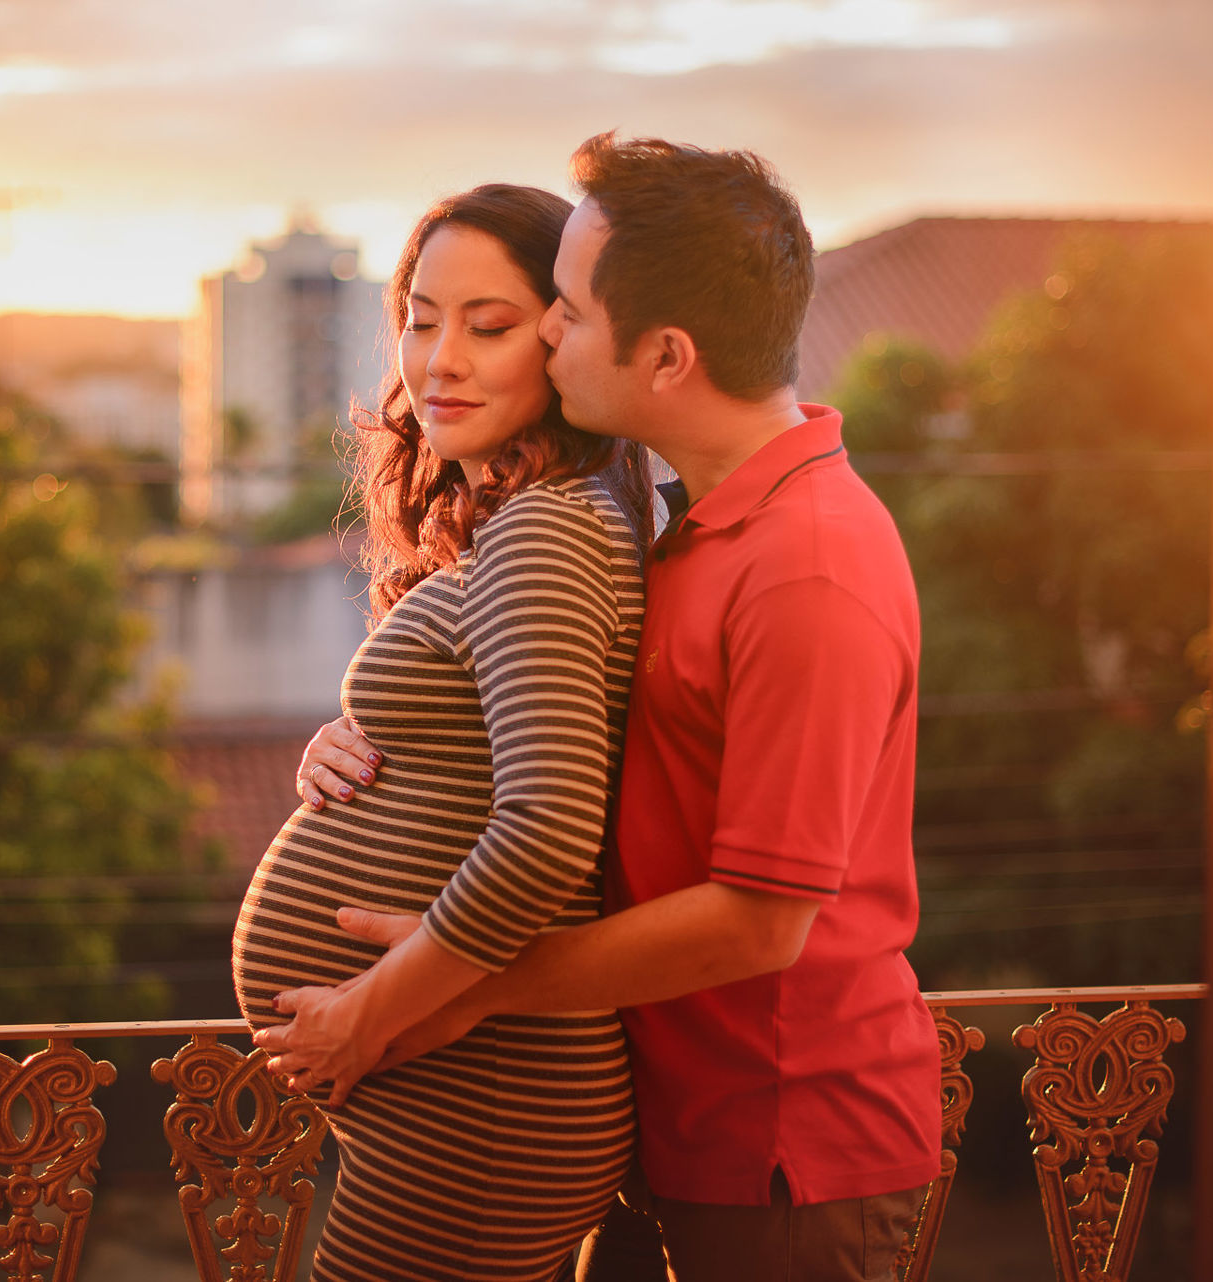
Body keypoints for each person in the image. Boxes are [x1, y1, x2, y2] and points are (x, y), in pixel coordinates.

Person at [259, 134, 941, 1282]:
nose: (547, 334)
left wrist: (432, 991)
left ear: (666, 356)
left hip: (783, 1147)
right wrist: (387, 744)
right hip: (665, 1114)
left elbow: (761, 919)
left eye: (559, 311)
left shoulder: (807, 564)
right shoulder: (686, 524)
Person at [231, 182, 654, 1282]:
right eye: (421, 317)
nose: (440, 359)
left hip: (489, 1097)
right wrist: (363, 750)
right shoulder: (531, 527)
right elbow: (496, 747)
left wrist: (367, 1015)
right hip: (464, 1094)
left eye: (490, 325)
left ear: (562, 342)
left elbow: (549, 830)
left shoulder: (545, 535)